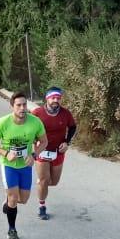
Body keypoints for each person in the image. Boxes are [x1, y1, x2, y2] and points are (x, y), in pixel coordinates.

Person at [0, 91, 47, 239]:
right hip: (9, 166)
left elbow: (44, 142)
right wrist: (5, 153)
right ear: (12, 106)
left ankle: (8, 201)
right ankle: (11, 230)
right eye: (18, 105)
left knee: (24, 199)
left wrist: (34, 155)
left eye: (24, 104)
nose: (22, 108)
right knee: (14, 199)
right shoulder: (2, 123)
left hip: (25, 166)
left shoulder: (35, 122)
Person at [32, 87, 78, 220]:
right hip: (42, 150)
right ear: (47, 98)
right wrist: (35, 141)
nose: (55, 100)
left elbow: (73, 127)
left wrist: (67, 142)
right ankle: (42, 206)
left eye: (58, 98)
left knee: (54, 182)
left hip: (58, 152)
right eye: (53, 98)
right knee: (44, 181)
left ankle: (42, 182)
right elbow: (29, 128)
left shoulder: (65, 113)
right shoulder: (37, 113)